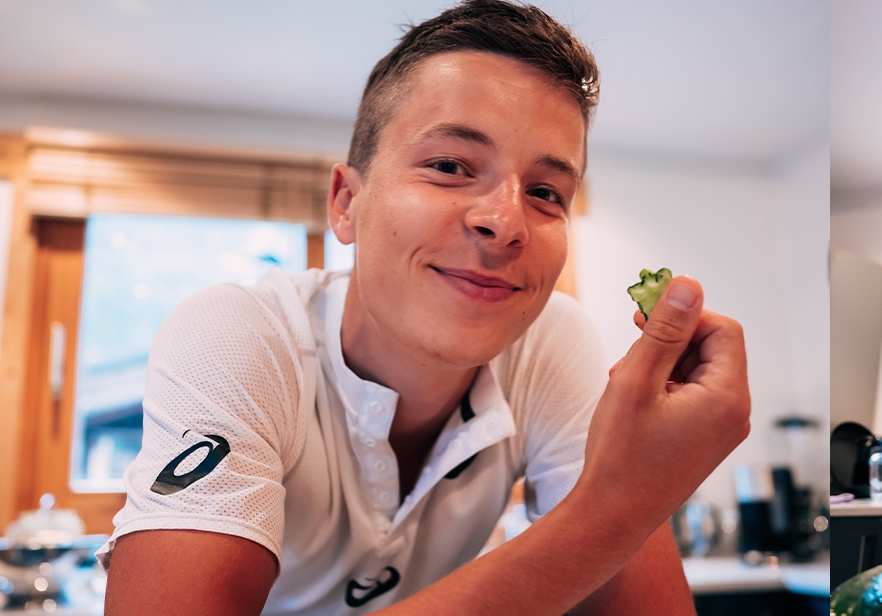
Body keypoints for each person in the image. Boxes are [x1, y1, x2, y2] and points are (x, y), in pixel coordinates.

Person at [98, 2, 751, 615]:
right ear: (346, 204)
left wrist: (628, 492)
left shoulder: (553, 343)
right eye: (448, 164)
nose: (506, 221)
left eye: (547, 191)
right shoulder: (239, 335)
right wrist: (621, 506)